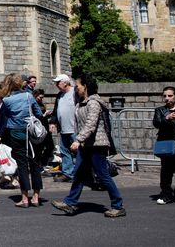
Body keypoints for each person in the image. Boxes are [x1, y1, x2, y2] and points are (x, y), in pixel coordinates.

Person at [52, 74, 126, 218]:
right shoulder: (81, 102)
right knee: (79, 174)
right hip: (87, 144)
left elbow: (90, 124)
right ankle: (70, 202)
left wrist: (77, 140)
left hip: (97, 144)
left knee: (103, 175)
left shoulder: (93, 103)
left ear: (85, 86)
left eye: (78, 86)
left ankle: (118, 205)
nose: (76, 89)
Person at [0, 73, 43, 207]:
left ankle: (24, 198)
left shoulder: (7, 100)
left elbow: (3, 120)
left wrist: (0, 134)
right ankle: (36, 197)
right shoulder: (29, 96)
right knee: (35, 164)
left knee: (22, 165)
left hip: (16, 133)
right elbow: (38, 113)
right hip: (31, 132)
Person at [49, 74, 76, 182]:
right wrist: (53, 122)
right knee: (65, 151)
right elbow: (56, 110)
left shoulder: (75, 93)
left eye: (58, 82)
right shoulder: (60, 95)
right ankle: (68, 173)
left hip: (75, 128)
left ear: (65, 82)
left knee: (79, 152)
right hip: (64, 128)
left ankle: (80, 173)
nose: (56, 84)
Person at [32, 88, 55, 169]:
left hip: (44, 127)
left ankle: (42, 162)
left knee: (50, 146)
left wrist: (48, 115)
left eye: (42, 97)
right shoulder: (33, 104)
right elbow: (34, 118)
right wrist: (44, 115)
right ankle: (38, 164)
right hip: (38, 128)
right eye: (40, 97)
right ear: (35, 96)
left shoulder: (41, 104)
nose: (41, 99)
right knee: (39, 147)